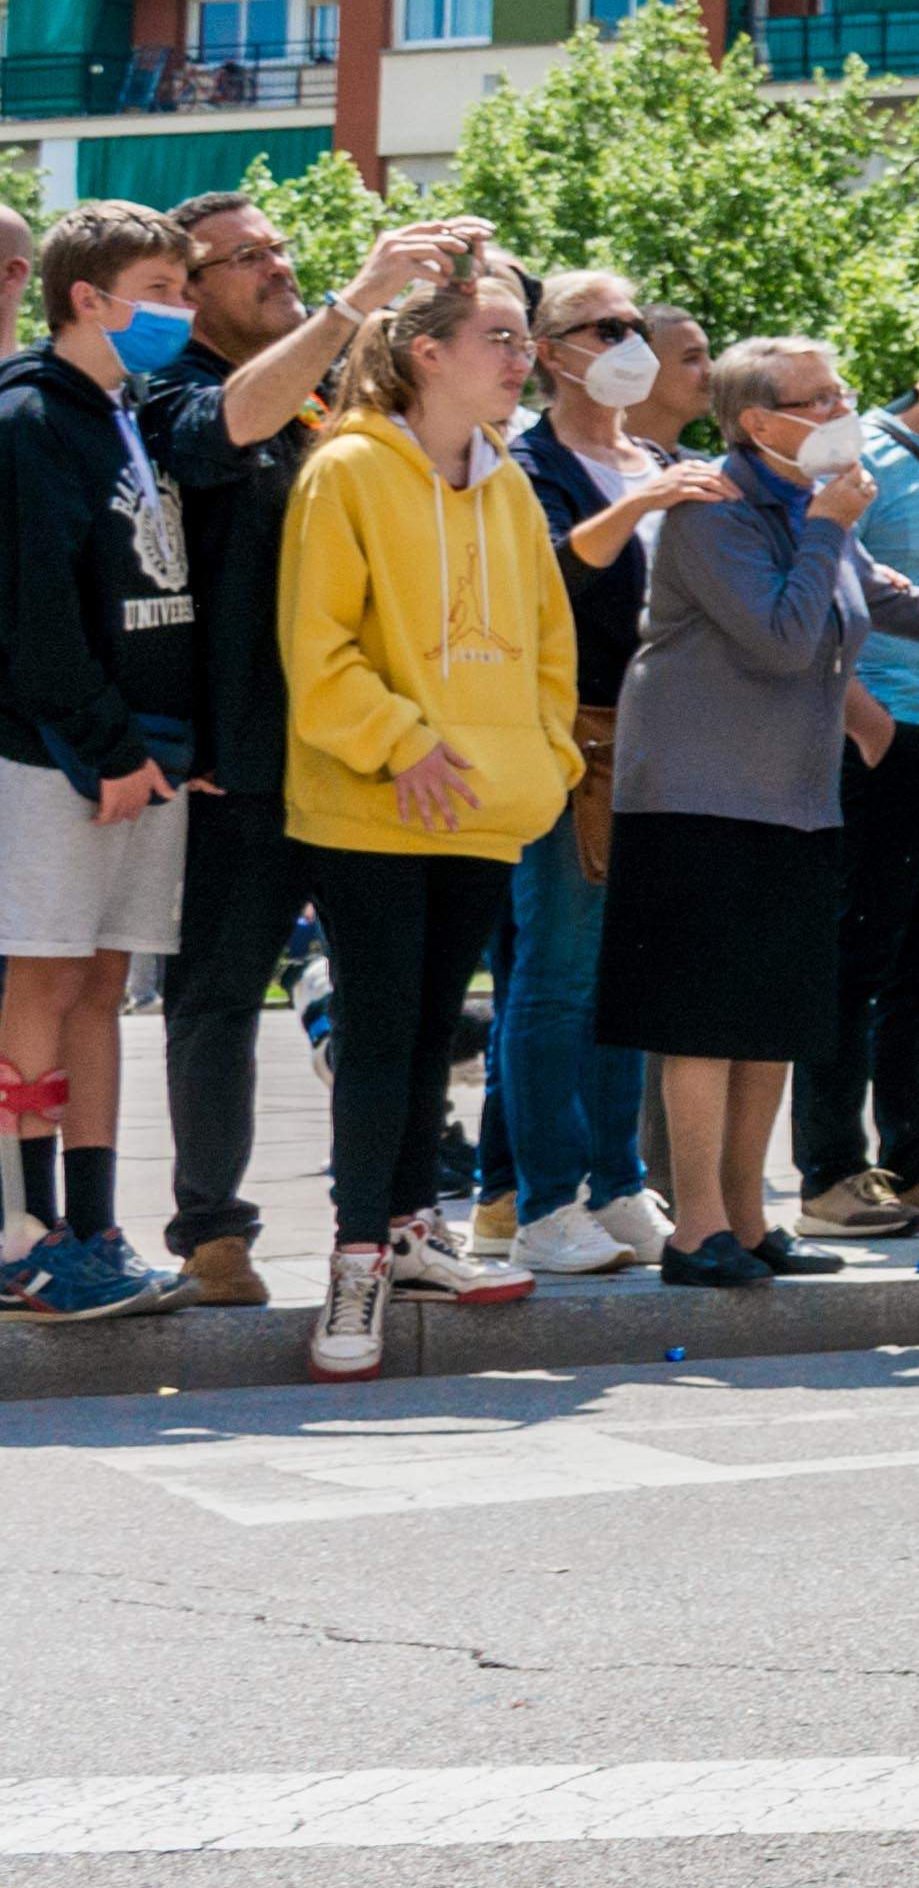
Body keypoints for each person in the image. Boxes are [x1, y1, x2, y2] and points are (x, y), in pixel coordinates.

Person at [147, 197, 472, 1305]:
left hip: (365, 751)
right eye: (241, 260)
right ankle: (214, 1234)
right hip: (240, 763)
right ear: (187, 291)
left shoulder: (329, 399)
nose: (272, 268)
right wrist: (354, 302)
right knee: (219, 994)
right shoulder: (173, 385)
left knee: (396, 1000)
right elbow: (223, 428)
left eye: (277, 249)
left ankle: (397, 1218)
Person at [281, 239, 586, 1377]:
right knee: (378, 1033)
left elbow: (549, 644)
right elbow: (318, 648)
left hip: (487, 805)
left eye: (522, 339)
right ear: (426, 353)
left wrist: (545, 759)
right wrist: (401, 743)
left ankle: (413, 1230)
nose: (523, 357)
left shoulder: (506, 478)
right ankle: (357, 1259)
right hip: (368, 804)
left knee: (425, 1037)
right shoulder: (345, 468)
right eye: (499, 339)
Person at [600, 336, 919, 1291]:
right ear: (758, 422)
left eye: (842, 388)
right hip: (698, 797)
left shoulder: (815, 507)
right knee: (705, 1022)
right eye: (818, 396)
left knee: (773, 1022)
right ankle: (697, 1232)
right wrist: (830, 528)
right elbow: (782, 638)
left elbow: (885, 601)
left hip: (795, 803)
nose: (841, 407)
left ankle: (752, 1223)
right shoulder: (715, 509)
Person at [0, 207, 228, 1319]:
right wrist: (110, 750)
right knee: (38, 976)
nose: (181, 308)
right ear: (88, 296)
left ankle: (89, 1224)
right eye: (161, 285)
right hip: (56, 759)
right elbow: (33, 615)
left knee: (101, 986)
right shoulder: (32, 414)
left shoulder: (128, 410)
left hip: (148, 759)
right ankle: (18, 1235)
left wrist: (178, 748)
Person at [495, 266, 722, 1272]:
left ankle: (618, 1181)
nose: (627, 339)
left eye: (635, 322)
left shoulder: (655, 456)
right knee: (555, 974)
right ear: (551, 353)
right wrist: (644, 500)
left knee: (628, 976)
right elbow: (545, 573)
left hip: (667, 737)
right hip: (571, 735)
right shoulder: (525, 462)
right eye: (602, 326)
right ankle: (542, 1204)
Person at [797, 327, 919, 1238]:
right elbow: (821, 587)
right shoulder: (866, 454)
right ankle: (831, 1168)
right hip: (887, 743)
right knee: (851, 960)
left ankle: (912, 1157)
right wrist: (864, 721)